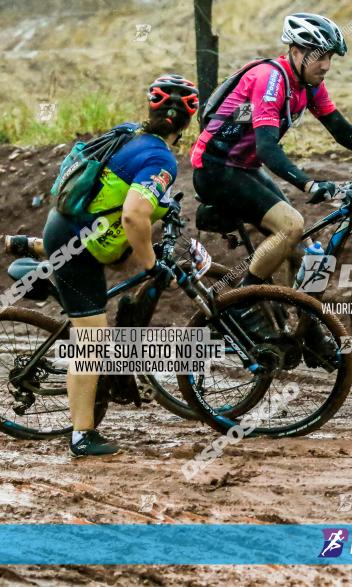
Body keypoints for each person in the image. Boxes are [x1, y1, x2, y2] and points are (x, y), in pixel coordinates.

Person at [190, 12, 352, 362]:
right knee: (291, 224)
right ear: (296, 51)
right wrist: (307, 182)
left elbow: (341, 130)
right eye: (319, 55)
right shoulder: (271, 79)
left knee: (310, 252)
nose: (326, 65)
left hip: (244, 168)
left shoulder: (308, 85)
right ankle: (243, 305)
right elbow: (267, 148)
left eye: (330, 57)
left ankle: (308, 331)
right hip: (215, 168)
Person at [42, 74, 199, 457]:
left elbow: (120, 193)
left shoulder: (131, 134)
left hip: (73, 230)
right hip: (75, 245)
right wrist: (149, 265)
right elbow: (133, 215)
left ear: (152, 110)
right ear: (187, 122)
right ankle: (81, 436)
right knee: (91, 342)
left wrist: (168, 207)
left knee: (94, 323)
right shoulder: (160, 157)